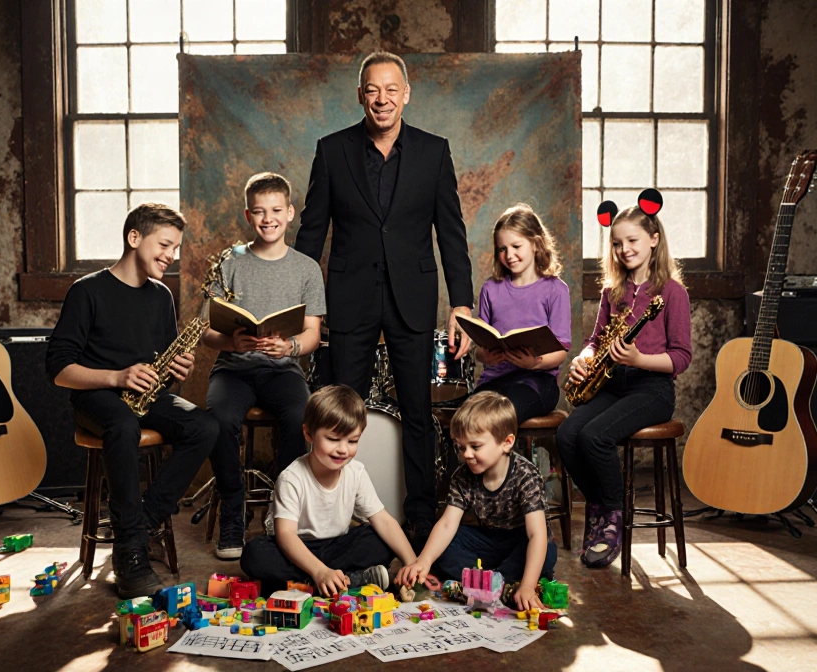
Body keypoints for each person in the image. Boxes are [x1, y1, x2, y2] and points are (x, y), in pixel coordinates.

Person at [295, 51, 475, 543]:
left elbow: (451, 234)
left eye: (391, 89)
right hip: (348, 297)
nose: (382, 99)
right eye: (373, 89)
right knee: (339, 412)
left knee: (417, 412)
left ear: (406, 94)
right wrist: (301, 305)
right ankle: (330, 517)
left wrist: (461, 304)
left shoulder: (434, 151)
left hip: (412, 296)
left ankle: (420, 516)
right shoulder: (332, 150)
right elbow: (311, 234)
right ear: (360, 95)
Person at [46, 203, 219, 598]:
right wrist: (117, 376)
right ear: (134, 237)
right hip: (96, 399)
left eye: (176, 248)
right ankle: (131, 553)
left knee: (205, 425)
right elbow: (58, 369)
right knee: (123, 423)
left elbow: (161, 378)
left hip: (143, 399)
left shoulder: (161, 296)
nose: (171, 255)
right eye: (165, 245)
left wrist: (176, 371)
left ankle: (140, 527)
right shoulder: (87, 290)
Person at [555, 194, 692, 568]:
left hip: (652, 389)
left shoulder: (673, 292)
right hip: (613, 384)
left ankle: (611, 517)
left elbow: (682, 357)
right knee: (566, 435)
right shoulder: (611, 292)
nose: (624, 249)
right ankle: (601, 505)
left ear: (654, 239)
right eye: (616, 243)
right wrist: (584, 359)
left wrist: (639, 359)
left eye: (632, 240)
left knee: (595, 436)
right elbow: (594, 340)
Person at [201, 173, 325, 560]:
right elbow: (205, 331)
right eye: (258, 212)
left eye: (275, 210)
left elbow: (312, 334)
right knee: (219, 418)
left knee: (300, 415)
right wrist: (231, 342)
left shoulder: (306, 268)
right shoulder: (230, 261)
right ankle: (233, 511)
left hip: (281, 369)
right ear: (247, 215)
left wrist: (289, 346)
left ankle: (282, 510)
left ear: (290, 213)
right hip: (233, 369)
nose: (268, 219)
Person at [240, 385, 420, 595]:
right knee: (255, 554)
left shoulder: (356, 473)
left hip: (337, 547)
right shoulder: (292, 478)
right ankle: (342, 580)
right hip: (297, 549)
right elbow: (286, 535)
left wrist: (413, 563)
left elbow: (384, 520)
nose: (343, 449)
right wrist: (319, 571)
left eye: (352, 441)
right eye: (333, 439)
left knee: (380, 539)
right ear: (308, 433)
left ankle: (315, 583)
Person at [397, 392, 556, 612]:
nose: (467, 455)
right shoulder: (462, 476)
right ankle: (499, 580)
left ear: (506, 443)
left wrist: (528, 586)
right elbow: (447, 524)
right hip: (487, 540)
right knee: (442, 546)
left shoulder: (525, 475)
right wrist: (423, 561)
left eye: (475, 447)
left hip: (519, 539)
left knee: (546, 551)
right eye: (461, 447)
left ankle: (496, 580)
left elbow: (536, 534)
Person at [469, 203, 571, 426]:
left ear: (535, 244)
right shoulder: (490, 289)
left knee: (497, 417)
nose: (509, 255)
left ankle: (507, 451)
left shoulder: (556, 290)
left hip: (537, 381)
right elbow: (480, 348)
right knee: (467, 416)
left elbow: (561, 350)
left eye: (516, 246)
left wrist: (533, 363)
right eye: (502, 249)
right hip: (494, 379)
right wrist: (486, 357)